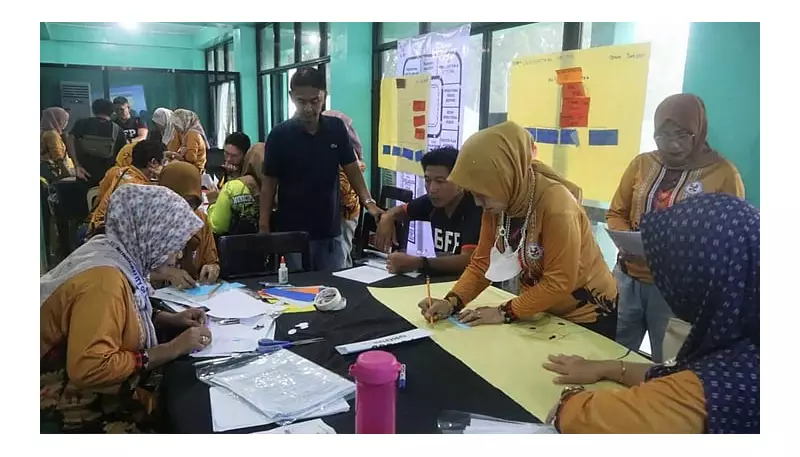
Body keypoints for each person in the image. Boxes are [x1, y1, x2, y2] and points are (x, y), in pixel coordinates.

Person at [544, 193, 759, 434]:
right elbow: (677, 372)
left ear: (695, 282)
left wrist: (569, 399)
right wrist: (609, 367)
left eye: (664, 271)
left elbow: (581, 418)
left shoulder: (716, 386)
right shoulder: (745, 335)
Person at [418, 122, 618, 338]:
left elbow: (559, 280)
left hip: (586, 314)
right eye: (473, 194)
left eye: (482, 194)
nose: (477, 203)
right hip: (542, 310)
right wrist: (452, 302)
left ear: (505, 177)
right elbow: (482, 262)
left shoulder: (557, 206)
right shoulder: (500, 201)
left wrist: (504, 311)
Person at [41, 184, 212, 433]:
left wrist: (167, 319)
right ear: (150, 235)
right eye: (173, 244)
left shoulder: (108, 249)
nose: (177, 256)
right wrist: (172, 348)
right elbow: (90, 368)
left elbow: (117, 313)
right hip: (68, 407)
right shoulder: (104, 283)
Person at [606, 93, 746, 363]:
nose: (671, 144)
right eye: (663, 135)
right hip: (628, 277)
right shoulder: (642, 164)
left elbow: (733, 236)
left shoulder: (723, 174)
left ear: (698, 131)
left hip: (678, 291)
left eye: (682, 135)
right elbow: (617, 212)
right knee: (613, 351)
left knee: (669, 361)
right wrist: (627, 240)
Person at [260, 67, 382, 271]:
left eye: (315, 100)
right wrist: (264, 226)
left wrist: (369, 202)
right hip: (293, 233)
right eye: (301, 101)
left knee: (333, 283)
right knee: (298, 286)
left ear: (324, 95)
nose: (308, 108)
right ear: (291, 97)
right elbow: (269, 184)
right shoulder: (279, 135)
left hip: (329, 228)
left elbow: (352, 168)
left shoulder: (336, 129)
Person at [375, 146, 482, 276]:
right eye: (427, 180)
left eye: (440, 181)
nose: (432, 189)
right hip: (440, 280)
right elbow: (401, 210)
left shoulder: (476, 206)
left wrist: (419, 263)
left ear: (460, 181)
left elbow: (468, 260)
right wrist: (387, 217)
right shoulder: (433, 201)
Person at [155, 161, 220, 286]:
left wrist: (212, 268)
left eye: (192, 202)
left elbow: (210, 259)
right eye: (180, 201)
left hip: (192, 292)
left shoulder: (199, 219)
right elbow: (130, 272)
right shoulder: (147, 222)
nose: (186, 210)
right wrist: (165, 273)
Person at [86, 140, 165, 237]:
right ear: (153, 162)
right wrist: (165, 175)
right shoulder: (142, 189)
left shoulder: (117, 172)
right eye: (162, 162)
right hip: (110, 235)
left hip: (95, 227)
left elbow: (98, 199)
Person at [322, 109, 366, 268]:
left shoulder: (343, 151)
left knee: (339, 253)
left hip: (344, 211)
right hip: (337, 212)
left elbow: (344, 185)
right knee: (340, 253)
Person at [67, 98, 127, 187]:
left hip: (84, 173)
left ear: (94, 110)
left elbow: (70, 141)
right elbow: (123, 155)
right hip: (108, 176)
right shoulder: (118, 130)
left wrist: (77, 165)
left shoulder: (82, 123)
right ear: (112, 111)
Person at [207, 143, 264, 235]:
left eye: (234, 156)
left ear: (246, 158)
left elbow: (218, 226)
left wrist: (212, 202)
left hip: (235, 241)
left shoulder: (232, 187)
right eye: (226, 153)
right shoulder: (278, 187)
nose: (228, 159)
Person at [40, 107, 73, 181]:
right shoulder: (52, 134)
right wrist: (67, 173)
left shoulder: (42, 132)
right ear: (57, 119)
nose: (66, 123)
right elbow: (57, 155)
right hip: (51, 171)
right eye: (64, 120)